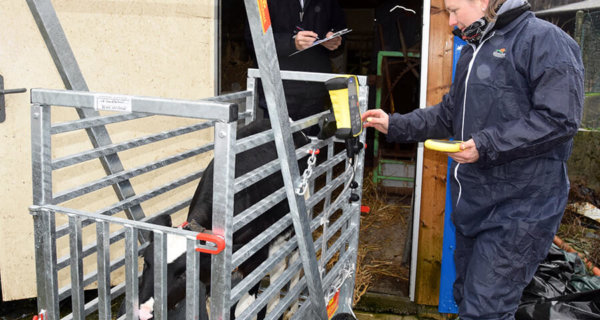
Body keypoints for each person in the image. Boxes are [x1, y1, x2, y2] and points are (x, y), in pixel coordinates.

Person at [361, 0, 584, 318]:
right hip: (475, 204)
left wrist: (486, 143)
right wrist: (394, 123)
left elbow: (560, 119)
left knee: (485, 310)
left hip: (521, 208)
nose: (451, 21)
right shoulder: (473, 50)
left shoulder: (543, 40)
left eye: (453, 10)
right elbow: (449, 114)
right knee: (468, 297)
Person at [245, 0, 346, 127]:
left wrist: (334, 40)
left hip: (315, 91)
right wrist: (291, 43)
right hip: (278, 90)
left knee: (312, 144)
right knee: (277, 143)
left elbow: (340, 31)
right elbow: (254, 40)